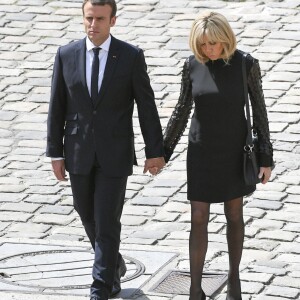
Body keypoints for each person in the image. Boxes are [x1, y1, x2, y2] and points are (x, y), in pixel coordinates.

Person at [46, 1, 165, 299]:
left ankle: (100, 289)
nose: (93, 24)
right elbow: (56, 106)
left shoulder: (130, 56)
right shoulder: (66, 54)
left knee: (107, 220)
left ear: (113, 20)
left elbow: (146, 107)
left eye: (100, 19)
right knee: (87, 214)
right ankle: (114, 266)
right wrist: (55, 153)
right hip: (77, 152)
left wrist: (155, 151)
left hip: (115, 153)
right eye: (89, 18)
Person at [163, 11, 273, 300]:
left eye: (212, 43)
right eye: (202, 45)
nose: (207, 50)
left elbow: (259, 112)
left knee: (233, 213)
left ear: (225, 39)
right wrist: (161, 151)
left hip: (235, 150)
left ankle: (234, 281)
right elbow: (181, 110)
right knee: (198, 217)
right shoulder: (192, 65)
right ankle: (195, 289)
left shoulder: (245, 64)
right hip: (201, 151)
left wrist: (266, 157)